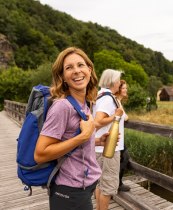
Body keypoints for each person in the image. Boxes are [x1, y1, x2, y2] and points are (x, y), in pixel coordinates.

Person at [34, 47, 106, 210]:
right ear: (63, 77)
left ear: (89, 69)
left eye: (80, 65)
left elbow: (70, 139)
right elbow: (40, 154)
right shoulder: (62, 107)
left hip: (83, 187)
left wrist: (96, 140)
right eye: (69, 67)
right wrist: (82, 136)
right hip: (69, 192)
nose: (76, 71)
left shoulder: (84, 103)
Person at [94, 69, 124, 210]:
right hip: (109, 148)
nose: (119, 83)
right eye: (118, 80)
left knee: (100, 184)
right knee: (108, 188)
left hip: (100, 147)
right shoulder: (107, 98)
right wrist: (116, 115)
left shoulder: (100, 95)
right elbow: (98, 121)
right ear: (112, 81)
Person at [115, 80, 131, 192]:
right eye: (124, 88)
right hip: (116, 137)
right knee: (125, 158)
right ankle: (118, 184)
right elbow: (125, 117)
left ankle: (117, 183)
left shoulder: (118, 101)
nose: (126, 90)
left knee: (123, 158)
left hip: (118, 137)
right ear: (119, 89)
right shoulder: (116, 102)